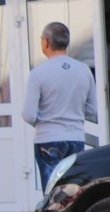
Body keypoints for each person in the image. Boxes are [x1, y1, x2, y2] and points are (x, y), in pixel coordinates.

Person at [21, 22, 97, 189]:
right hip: (76, 137)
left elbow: (28, 114)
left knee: (52, 190)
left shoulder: (38, 73)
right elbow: (92, 109)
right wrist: (73, 113)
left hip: (48, 138)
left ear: (47, 42)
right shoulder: (83, 70)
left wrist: (45, 119)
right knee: (74, 189)